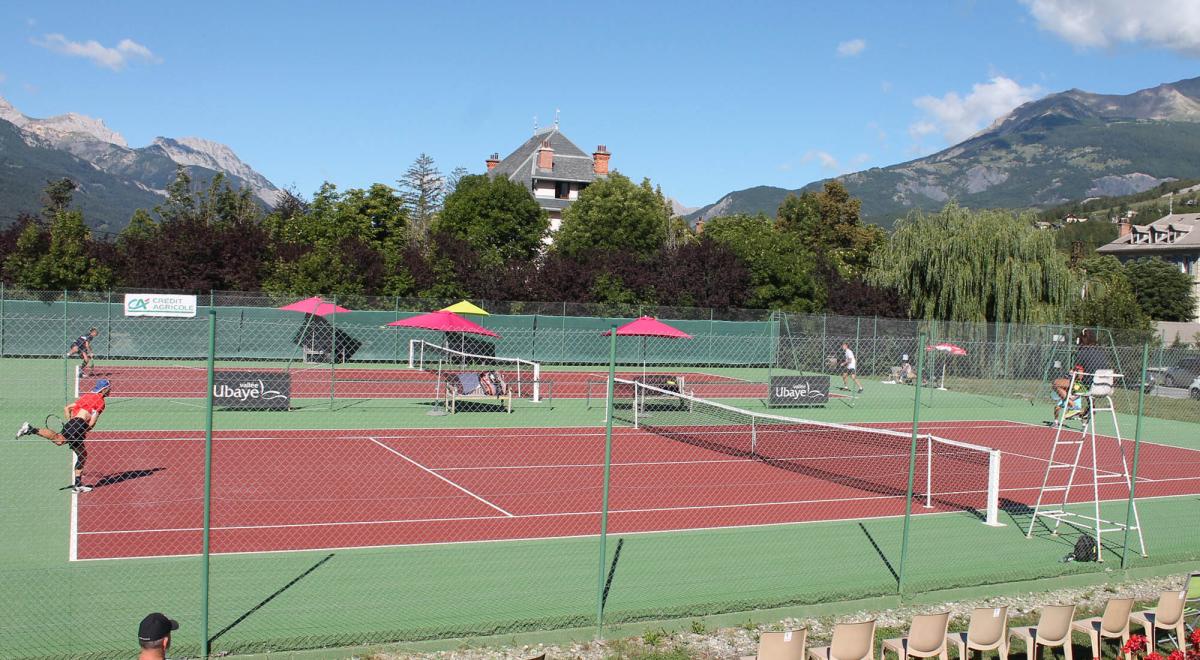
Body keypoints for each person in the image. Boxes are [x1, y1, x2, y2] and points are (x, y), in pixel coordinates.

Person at [15, 378, 112, 493]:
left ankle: (78, 484)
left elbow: (67, 408)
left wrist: (71, 422)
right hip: (79, 426)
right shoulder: (101, 402)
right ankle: (31, 429)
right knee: (59, 440)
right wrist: (85, 428)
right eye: (109, 388)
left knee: (82, 454)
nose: (110, 390)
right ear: (104, 389)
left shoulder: (88, 396)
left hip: (74, 423)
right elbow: (92, 423)